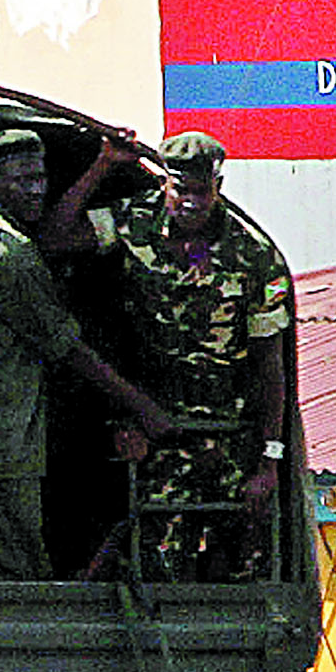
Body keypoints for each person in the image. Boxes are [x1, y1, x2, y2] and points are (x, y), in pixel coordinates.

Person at [0, 124, 172, 578]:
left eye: (40, 178)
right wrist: (142, 405)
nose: (36, 190)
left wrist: (100, 164)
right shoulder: (10, 252)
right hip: (3, 436)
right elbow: (68, 348)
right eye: (22, 180)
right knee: (11, 569)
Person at [80, 129, 294, 579]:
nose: (192, 201)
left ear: (219, 187)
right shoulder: (132, 223)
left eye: (204, 190)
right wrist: (102, 165)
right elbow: (55, 238)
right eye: (182, 190)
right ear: (164, 184)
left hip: (228, 435)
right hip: (153, 429)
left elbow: (270, 366)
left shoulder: (255, 256)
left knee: (237, 569)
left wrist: (270, 458)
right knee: (153, 564)